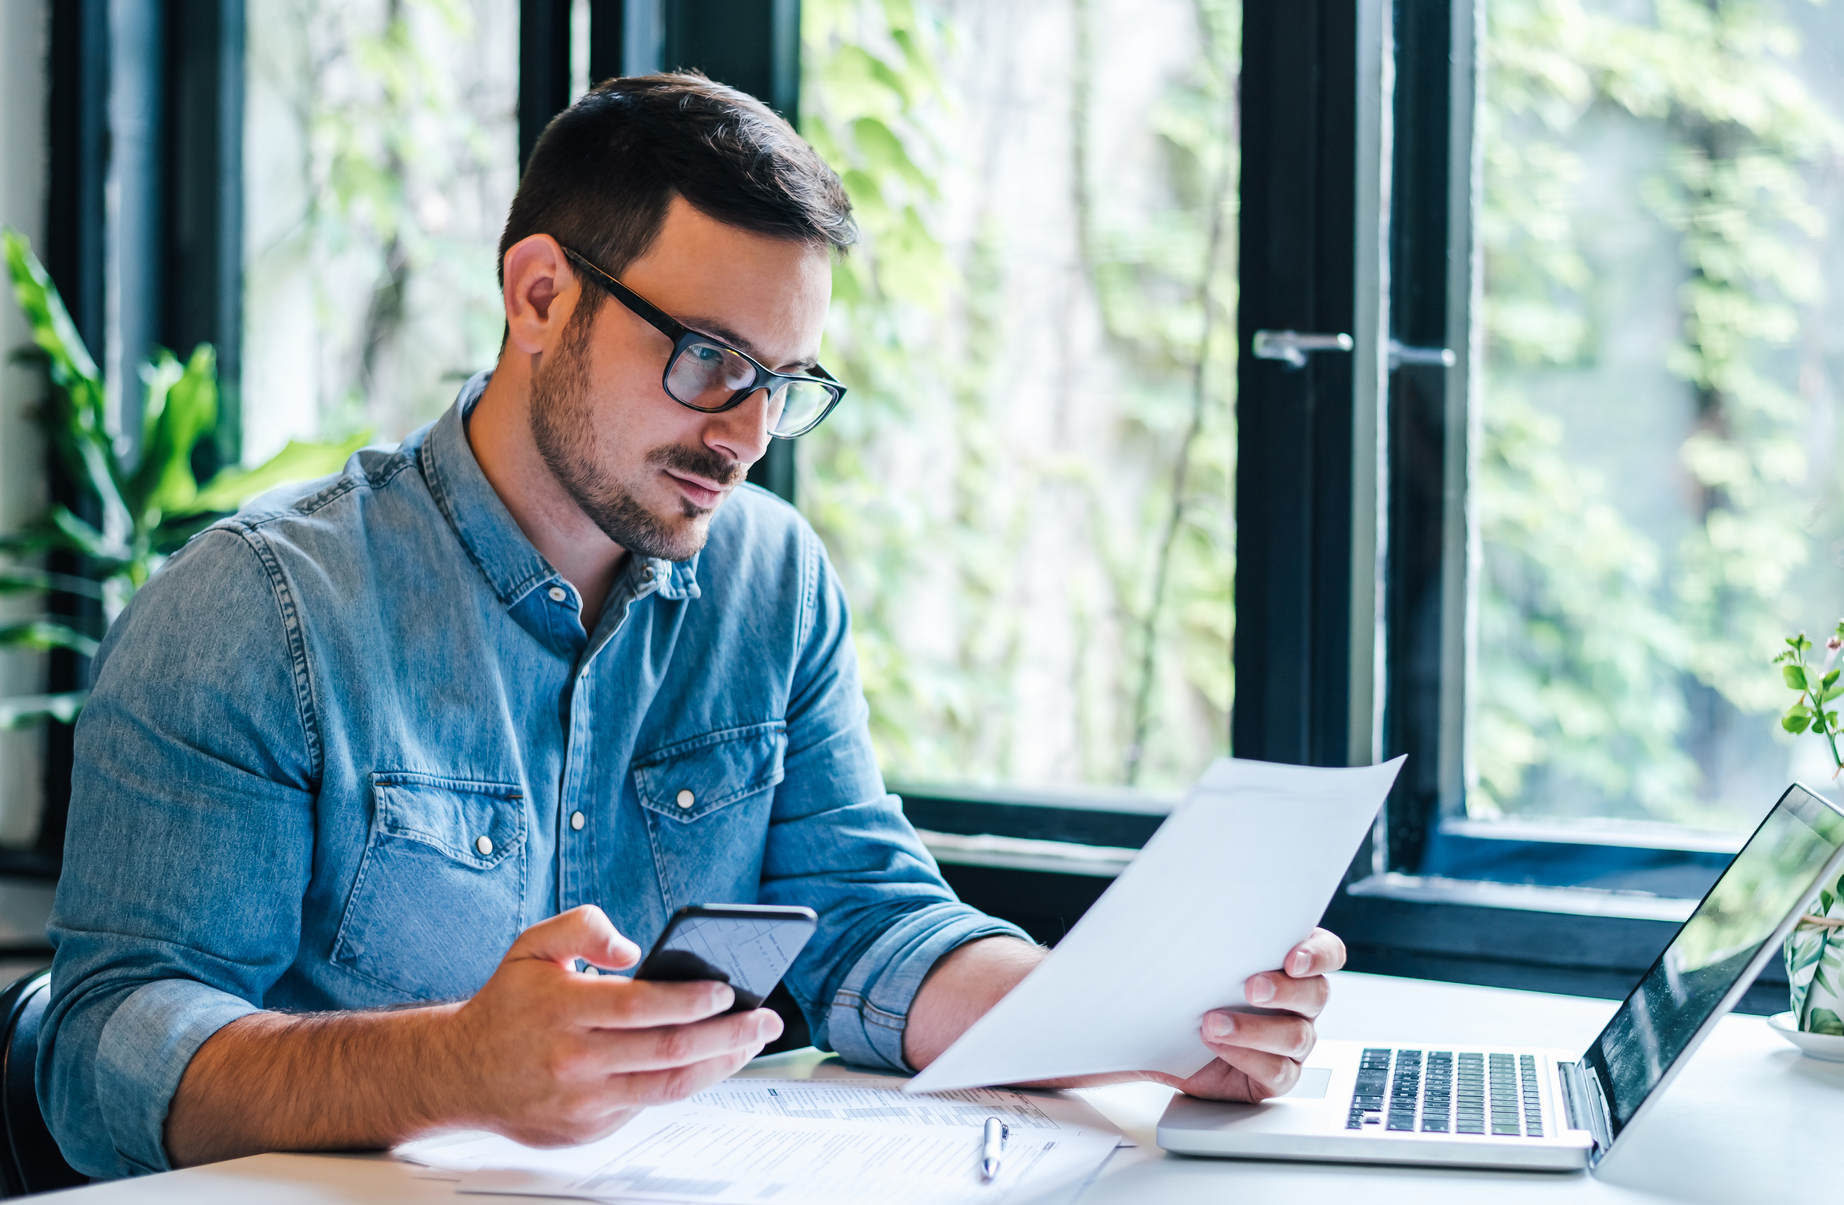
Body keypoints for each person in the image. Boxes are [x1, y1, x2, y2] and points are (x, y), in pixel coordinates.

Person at [39, 74, 1346, 1179]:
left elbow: (865, 919)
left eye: (783, 383)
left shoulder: (773, 583)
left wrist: (1144, 1024)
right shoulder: (258, 608)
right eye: (711, 360)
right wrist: (450, 1066)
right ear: (539, 296)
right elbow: (102, 1058)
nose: (746, 436)